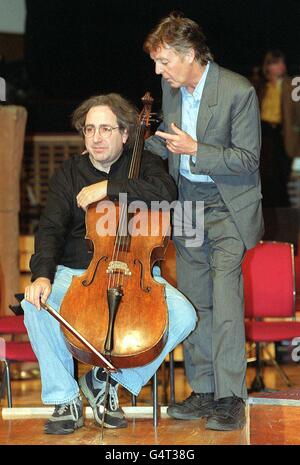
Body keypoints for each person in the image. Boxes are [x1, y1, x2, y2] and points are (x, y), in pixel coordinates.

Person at [22, 93, 196, 435]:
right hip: (79, 274)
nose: (96, 137)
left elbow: (166, 193)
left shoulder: (144, 165)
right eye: (90, 130)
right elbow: (50, 229)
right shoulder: (69, 172)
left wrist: (109, 187)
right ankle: (65, 398)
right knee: (35, 305)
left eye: (105, 129)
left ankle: (105, 382)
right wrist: (41, 276)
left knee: (185, 316)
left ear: (125, 134)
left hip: (137, 275)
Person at [144, 12, 264, 431]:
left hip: (228, 204)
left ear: (190, 54)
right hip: (188, 204)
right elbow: (170, 146)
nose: (158, 71)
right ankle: (205, 389)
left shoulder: (237, 91)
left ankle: (231, 397)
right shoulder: (170, 87)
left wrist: (198, 148)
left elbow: (248, 159)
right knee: (196, 301)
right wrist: (138, 144)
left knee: (226, 301)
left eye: (164, 61)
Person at [253, 50, 300, 207]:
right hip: (265, 130)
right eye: (276, 63)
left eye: (282, 62)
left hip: (282, 132)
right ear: (268, 67)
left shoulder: (292, 83)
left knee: (283, 168)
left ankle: (282, 203)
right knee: (267, 168)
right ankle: (271, 202)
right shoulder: (262, 86)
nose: (281, 66)